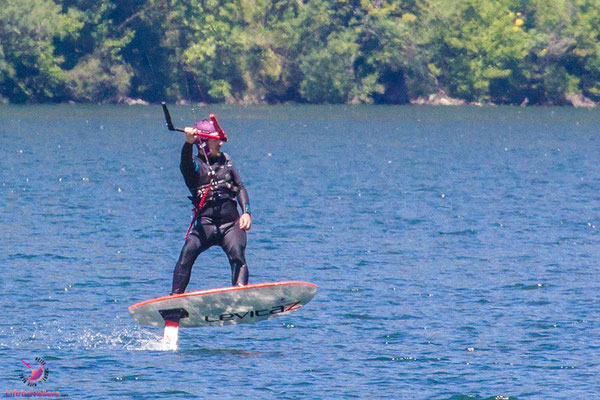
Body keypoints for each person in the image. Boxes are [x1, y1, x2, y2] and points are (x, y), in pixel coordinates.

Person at [171, 118, 251, 294]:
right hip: (205, 226)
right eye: (216, 140)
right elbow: (184, 164)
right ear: (204, 143)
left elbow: (240, 188)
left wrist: (246, 212)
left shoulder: (226, 161)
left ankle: (240, 293)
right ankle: (174, 300)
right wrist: (188, 143)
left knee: (237, 254)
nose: (220, 144)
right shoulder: (194, 166)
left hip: (231, 225)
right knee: (187, 254)